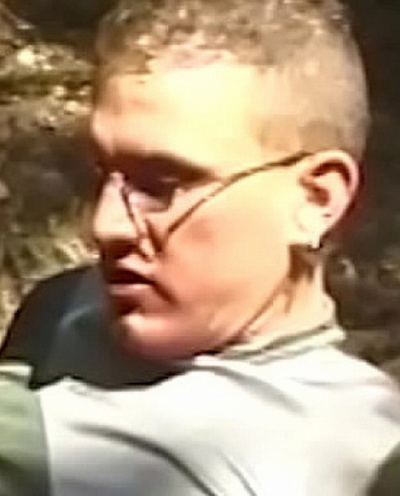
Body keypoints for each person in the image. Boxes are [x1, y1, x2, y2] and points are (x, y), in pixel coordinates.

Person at [2, 0, 400, 494]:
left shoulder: (344, 464)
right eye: (102, 173)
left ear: (316, 199)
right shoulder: (64, 304)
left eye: (163, 185)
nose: (106, 226)